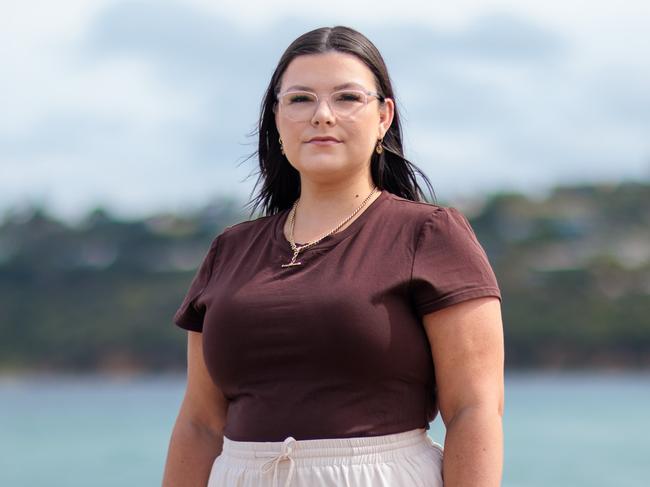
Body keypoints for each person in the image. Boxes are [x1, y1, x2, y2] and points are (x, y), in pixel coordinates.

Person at [162, 25, 504, 487]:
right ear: (276, 119)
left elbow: (474, 409)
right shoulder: (230, 250)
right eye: (300, 99)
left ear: (383, 117)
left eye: (346, 98)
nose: (322, 116)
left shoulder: (429, 234)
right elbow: (200, 424)